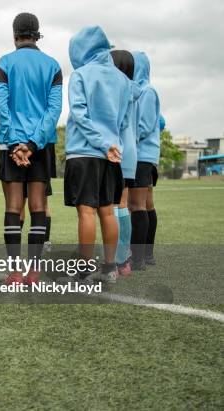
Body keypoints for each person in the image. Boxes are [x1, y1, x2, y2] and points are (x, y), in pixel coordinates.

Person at [0, 12, 62, 285]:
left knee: (13, 206)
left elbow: (2, 106)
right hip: (41, 146)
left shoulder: (4, 62)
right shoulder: (53, 65)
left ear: (15, 35)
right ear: (37, 34)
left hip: (11, 145)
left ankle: (14, 272)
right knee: (38, 206)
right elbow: (54, 109)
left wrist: (15, 144)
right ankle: (34, 272)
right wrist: (33, 144)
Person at [64, 26, 131, 283]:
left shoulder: (80, 75)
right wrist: (113, 146)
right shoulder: (124, 81)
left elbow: (80, 114)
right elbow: (124, 122)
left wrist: (102, 144)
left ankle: (83, 271)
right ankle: (110, 268)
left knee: (87, 212)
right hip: (112, 155)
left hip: (84, 152)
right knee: (107, 211)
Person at [128, 51, 161, 270]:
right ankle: (146, 255)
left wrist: (126, 140)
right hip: (145, 155)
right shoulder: (141, 91)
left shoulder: (147, 92)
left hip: (142, 156)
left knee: (136, 205)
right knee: (146, 204)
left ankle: (138, 258)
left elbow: (145, 125)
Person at [110, 50, 141, 276]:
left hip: (116, 148)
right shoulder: (137, 90)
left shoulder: (116, 89)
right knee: (124, 204)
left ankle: (116, 259)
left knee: (113, 206)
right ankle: (125, 260)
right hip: (132, 150)